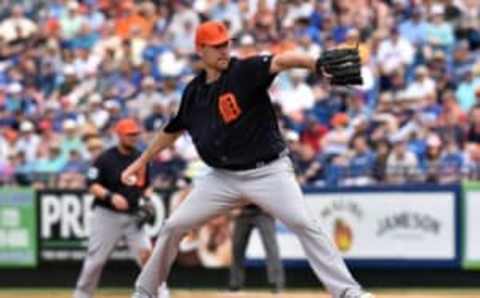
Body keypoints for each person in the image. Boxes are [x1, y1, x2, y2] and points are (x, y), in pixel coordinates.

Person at [122, 21, 373, 298]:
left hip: (267, 173)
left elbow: (282, 61)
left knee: (305, 225)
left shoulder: (243, 71)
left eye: (225, 43)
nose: (223, 50)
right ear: (200, 50)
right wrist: (141, 160)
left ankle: (349, 292)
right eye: (216, 46)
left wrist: (315, 63)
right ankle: (145, 292)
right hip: (221, 179)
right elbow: (173, 129)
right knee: (173, 226)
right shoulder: (193, 92)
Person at [73, 118, 169, 298]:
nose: (133, 137)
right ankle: (81, 295)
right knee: (95, 261)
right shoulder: (105, 158)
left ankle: (160, 294)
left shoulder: (141, 158)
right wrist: (110, 196)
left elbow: (146, 186)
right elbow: (91, 184)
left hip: (133, 216)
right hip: (107, 215)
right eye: (129, 134)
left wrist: (148, 198)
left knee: (147, 258)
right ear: (119, 135)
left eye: (135, 134)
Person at [229, 204, 285, 293]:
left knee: (271, 248)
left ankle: (277, 284)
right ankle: (235, 285)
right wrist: (234, 206)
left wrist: (272, 206)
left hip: (263, 211)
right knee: (237, 248)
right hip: (243, 211)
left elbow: (276, 190)